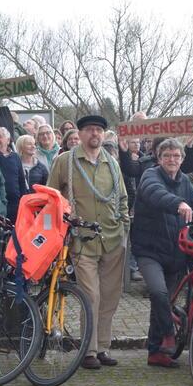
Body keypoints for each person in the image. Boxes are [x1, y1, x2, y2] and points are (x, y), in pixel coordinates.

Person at [47, 115, 130, 369]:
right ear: (80, 134)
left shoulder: (112, 164)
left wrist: (124, 227)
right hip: (82, 241)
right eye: (90, 130)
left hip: (113, 239)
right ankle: (89, 350)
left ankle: (103, 347)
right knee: (90, 295)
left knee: (109, 297)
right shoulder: (65, 161)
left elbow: (123, 198)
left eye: (99, 130)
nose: (95, 134)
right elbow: (51, 196)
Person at [132, 139, 193, 368]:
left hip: (176, 252)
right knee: (159, 293)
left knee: (163, 302)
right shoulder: (150, 176)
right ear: (159, 158)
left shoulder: (185, 182)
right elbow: (154, 193)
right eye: (167, 155)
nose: (172, 160)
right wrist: (178, 204)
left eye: (176, 156)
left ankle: (155, 352)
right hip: (149, 250)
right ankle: (168, 334)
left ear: (182, 159)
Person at [0, 127, 27, 222]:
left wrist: (24, 201)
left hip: (16, 204)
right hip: (1, 203)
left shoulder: (15, 157)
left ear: (8, 140)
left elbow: (21, 180)